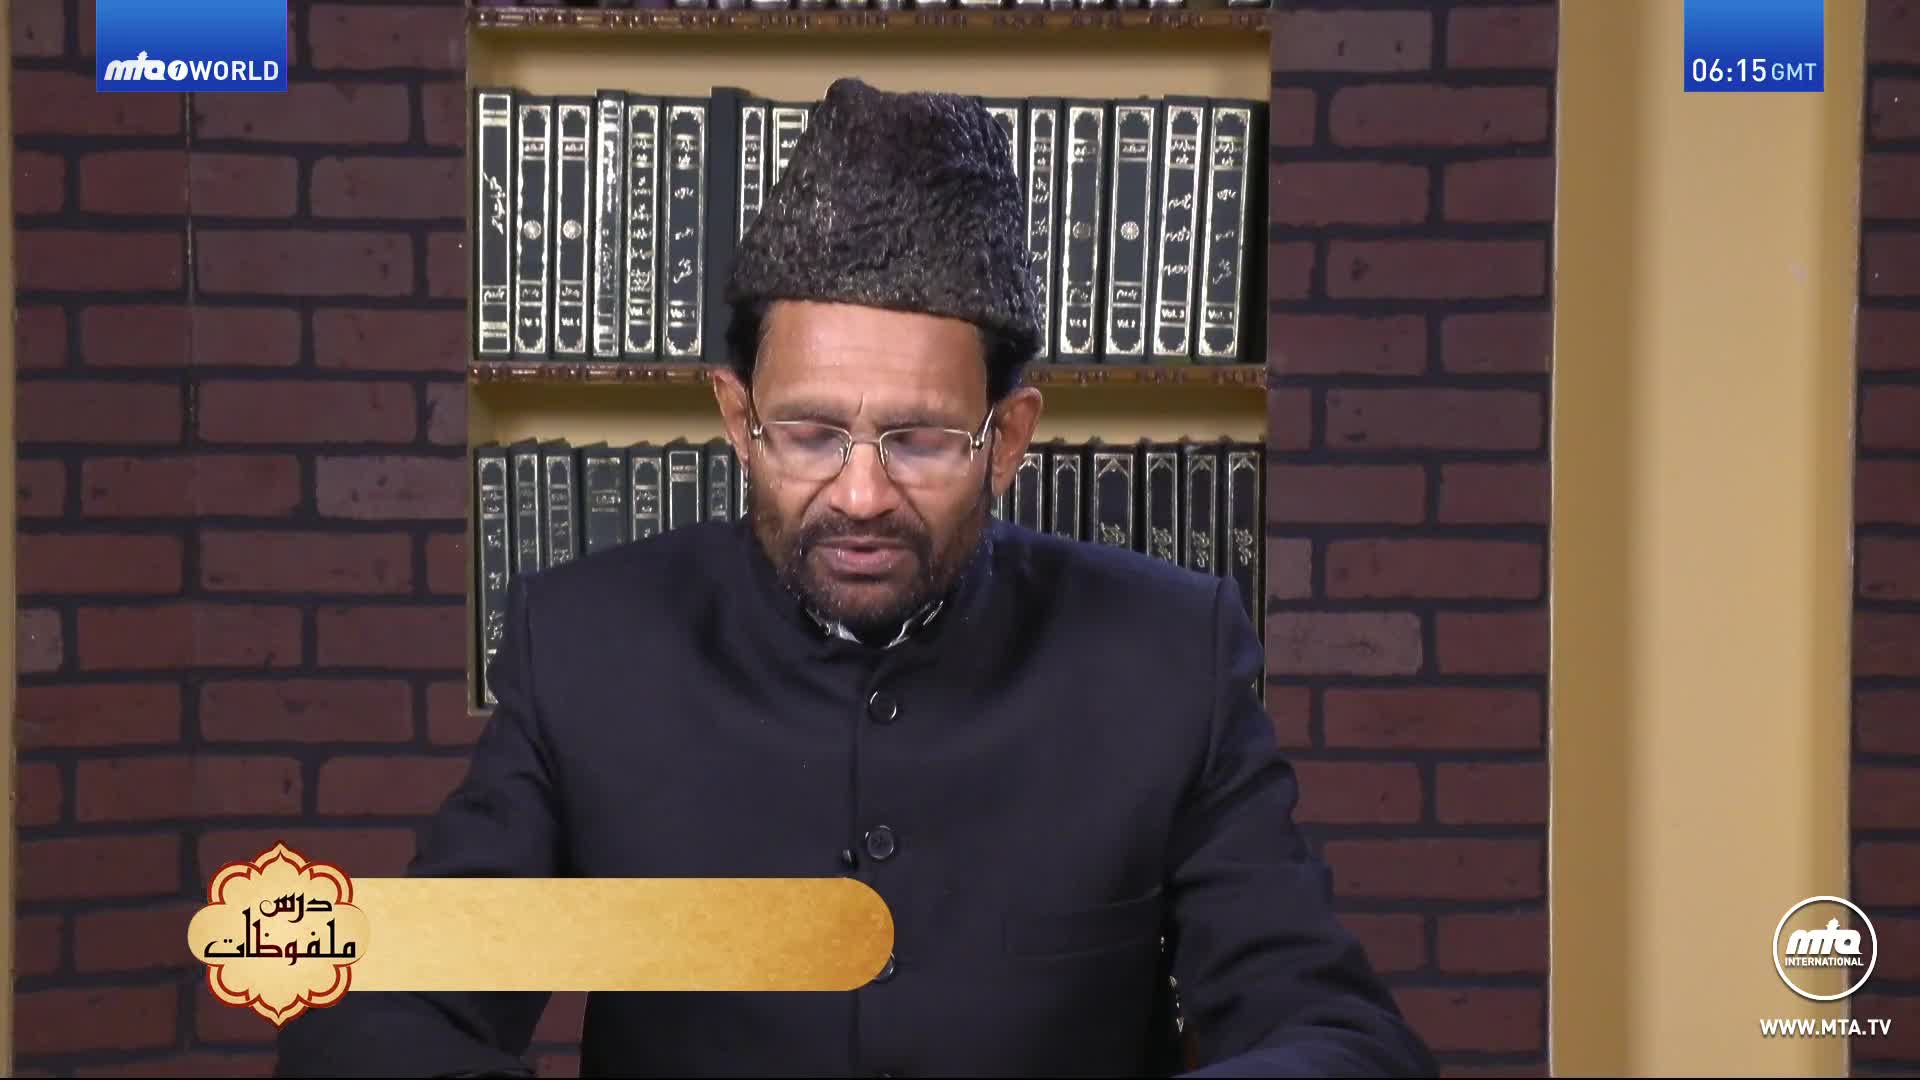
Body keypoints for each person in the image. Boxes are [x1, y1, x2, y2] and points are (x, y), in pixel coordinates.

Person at [274, 77, 1436, 1079]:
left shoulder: (1166, 655)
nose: (864, 493)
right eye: (811, 432)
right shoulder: (588, 648)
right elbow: (380, 1014)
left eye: (922, 440)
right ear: (738, 419)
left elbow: (1332, 1027)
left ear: (1011, 435)